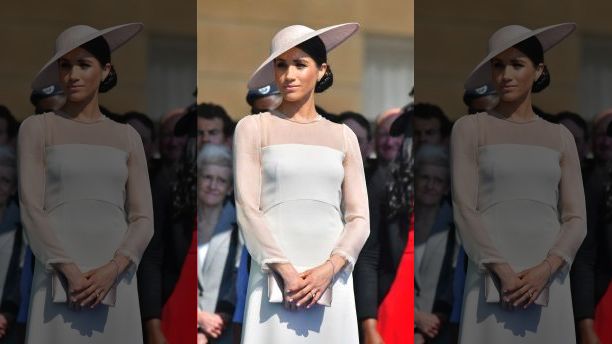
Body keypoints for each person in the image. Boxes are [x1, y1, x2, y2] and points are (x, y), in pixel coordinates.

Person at [18, 23, 153, 343]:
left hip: (116, 276)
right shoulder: (37, 128)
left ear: (106, 70)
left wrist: (115, 268)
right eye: (65, 65)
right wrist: (68, 270)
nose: (73, 75)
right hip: (55, 272)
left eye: (83, 64)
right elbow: (31, 208)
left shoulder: (127, 136)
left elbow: (144, 218)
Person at [234, 22, 368, 343]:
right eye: (281, 65)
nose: (289, 75)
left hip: (332, 278)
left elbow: (359, 218)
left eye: (300, 64)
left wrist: (331, 268)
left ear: (322, 71)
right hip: (272, 274)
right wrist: (285, 270)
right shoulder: (253, 127)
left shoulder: (343, 135)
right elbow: (247, 208)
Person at [453, 23, 586, 343]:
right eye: (498, 65)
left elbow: (577, 218)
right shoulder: (470, 128)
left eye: (517, 64)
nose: (506, 75)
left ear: (539, 70)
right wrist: (501, 269)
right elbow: (464, 208)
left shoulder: (560, 137)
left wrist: (547, 268)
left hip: (549, 276)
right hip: (489, 273)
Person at [354, 104, 413, 344]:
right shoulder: (383, 182)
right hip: (391, 299)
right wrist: (369, 324)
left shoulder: (444, 180)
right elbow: (368, 257)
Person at [197, 144, 242, 343]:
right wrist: (197, 318)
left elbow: (239, 275)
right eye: (207, 177)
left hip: (221, 330)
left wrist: (212, 325)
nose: (213, 185)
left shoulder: (240, 224)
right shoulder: (179, 222)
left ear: (230, 187)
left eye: (221, 180)